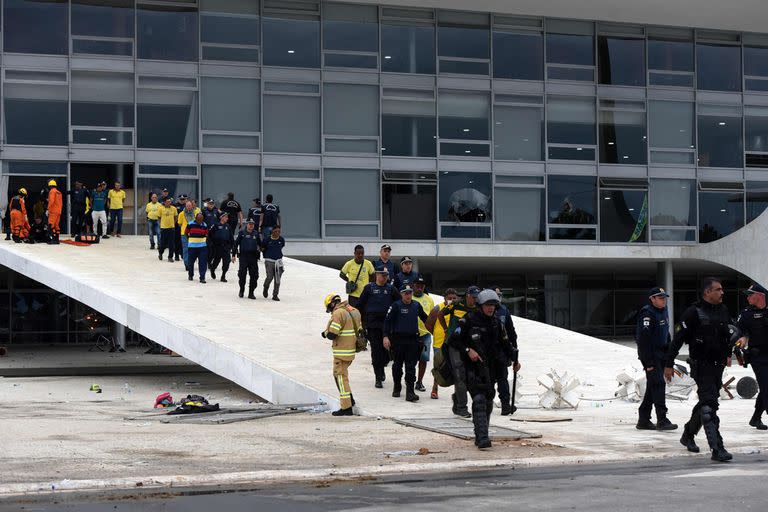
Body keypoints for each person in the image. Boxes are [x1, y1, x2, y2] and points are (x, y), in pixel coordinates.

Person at [665, 277, 734, 462]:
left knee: (707, 402)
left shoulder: (723, 310)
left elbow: (728, 334)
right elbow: (678, 340)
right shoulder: (692, 313)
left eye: (722, 289)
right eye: (718, 290)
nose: (722, 292)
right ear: (707, 292)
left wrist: (729, 353)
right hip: (701, 365)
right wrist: (668, 363)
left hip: (718, 365)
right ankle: (717, 449)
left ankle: (688, 435)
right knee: (709, 407)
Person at [450, 289, 520, 449]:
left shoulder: (497, 323)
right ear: (480, 305)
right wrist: (468, 350)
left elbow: (506, 344)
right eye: (488, 305)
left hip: (492, 368)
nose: (491, 308)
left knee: (488, 401)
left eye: (493, 305)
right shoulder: (468, 320)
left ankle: (480, 434)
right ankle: (482, 438)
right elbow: (454, 340)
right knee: (479, 400)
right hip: (473, 368)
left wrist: (515, 359)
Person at [635, 287, 678, 431]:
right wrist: (648, 363)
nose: (663, 300)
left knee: (653, 386)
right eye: (660, 298)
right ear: (652, 299)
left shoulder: (664, 311)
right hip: (650, 355)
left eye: (664, 297)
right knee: (658, 384)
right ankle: (662, 419)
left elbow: (667, 333)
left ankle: (643, 419)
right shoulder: (647, 314)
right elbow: (643, 340)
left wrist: (669, 354)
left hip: (662, 353)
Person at [384, 285, 428, 402]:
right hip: (398, 340)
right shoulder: (396, 306)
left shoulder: (416, 305)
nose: (408, 295)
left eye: (410, 293)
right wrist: (385, 337)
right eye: (405, 293)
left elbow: (425, 319)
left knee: (411, 367)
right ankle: (397, 387)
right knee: (397, 366)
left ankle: (410, 392)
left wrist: (435, 327)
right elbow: (387, 322)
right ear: (401, 294)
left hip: (412, 340)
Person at [357, 268, 400, 388]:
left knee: (387, 351)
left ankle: (382, 366)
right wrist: (359, 322)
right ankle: (378, 376)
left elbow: (399, 304)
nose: (385, 277)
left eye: (386, 275)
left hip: (387, 325)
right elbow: (360, 305)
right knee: (376, 351)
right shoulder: (369, 288)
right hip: (372, 325)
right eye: (382, 275)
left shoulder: (391, 289)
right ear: (377, 275)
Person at [442, 286, 480, 417]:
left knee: (469, 376)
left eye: (477, 297)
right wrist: (446, 329)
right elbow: (441, 314)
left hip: (469, 345)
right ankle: (462, 407)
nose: (475, 300)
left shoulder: (478, 309)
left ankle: (457, 400)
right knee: (459, 374)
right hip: (454, 344)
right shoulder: (456, 304)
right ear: (467, 296)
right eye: (473, 297)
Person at [735, 283, 768, 431]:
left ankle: (756, 418)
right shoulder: (747, 314)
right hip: (758, 357)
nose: (747, 297)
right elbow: (738, 331)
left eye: (750, 294)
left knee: (766, 387)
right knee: (767, 386)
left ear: (760, 296)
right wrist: (742, 338)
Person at [322, 293, 360, 416]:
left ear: (332, 303)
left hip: (341, 352)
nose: (330, 310)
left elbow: (333, 334)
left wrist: (326, 332)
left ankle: (346, 407)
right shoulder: (354, 310)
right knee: (342, 376)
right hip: (351, 350)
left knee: (341, 378)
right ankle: (351, 400)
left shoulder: (338, 313)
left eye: (329, 308)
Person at [425, 288, 460, 400]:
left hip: (454, 343)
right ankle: (435, 389)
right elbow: (428, 324)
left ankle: (457, 392)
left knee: (456, 368)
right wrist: (437, 333)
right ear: (444, 298)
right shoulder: (438, 308)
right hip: (439, 343)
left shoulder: (459, 309)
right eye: (450, 298)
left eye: (454, 298)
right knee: (439, 366)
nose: (452, 300)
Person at [491, 286, 519, 416]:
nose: (498, 297)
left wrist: (515, 356)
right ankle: (486, 404)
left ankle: (506, 406)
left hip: (501, 351)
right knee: (488, 380)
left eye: (499, 294)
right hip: (486, 351)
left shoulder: (504, 310)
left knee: (502, 379)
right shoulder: (480, 310)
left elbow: (511, 333)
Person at [412, 277, 435, 393]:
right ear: (413, 285)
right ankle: (410, 380)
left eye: (422, 285)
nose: (420, 287)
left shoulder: (429, 299)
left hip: (425, 334)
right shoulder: (408, 296)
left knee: (423, 358)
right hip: (410, 333)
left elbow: (431, 317)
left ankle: (419, 381)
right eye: (417, 285)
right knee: (410, 359)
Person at [232, 219, 261, 299]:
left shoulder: (256, 233)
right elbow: (236, 244)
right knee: (242, 275)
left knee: (254, 275)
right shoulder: (242, 233)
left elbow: (260, 244)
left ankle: (251, 292)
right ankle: (242, 289)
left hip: (253, 257)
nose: (251, 225)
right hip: (243, 257)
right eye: (249, 224)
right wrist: (233, 255)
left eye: (252, 224)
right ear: (247, 224)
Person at [208, 212, 234, 282]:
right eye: (225, 217)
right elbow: (209, 235)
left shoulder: (228, 226)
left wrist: (232, 246)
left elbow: (231, 237)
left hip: (226, 247)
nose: (227, 218)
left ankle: (223, 276)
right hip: (217, 247)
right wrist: (211, 244)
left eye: (227, 217)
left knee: (226, 262)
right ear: (221, 217)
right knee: (216, 260)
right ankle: (213, 269)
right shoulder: (215, 225)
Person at [262, 225, 286, 301]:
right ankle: (266, 287)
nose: (277, 233)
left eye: (279, 231)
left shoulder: (281, 239)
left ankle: (275, 295)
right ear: (272, 231)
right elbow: (263, 248)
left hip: (278, 261)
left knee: (277, 279)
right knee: (269, 277)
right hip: (269, 261)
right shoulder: (267, 239)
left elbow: (281, 246)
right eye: (276, 231)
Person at [185, 212, 209, 283]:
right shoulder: (190, 224)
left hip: (202, 247)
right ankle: (190, 275)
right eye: (198, 219)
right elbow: (186, 232)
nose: (200, 220)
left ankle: (202, 277)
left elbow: (207, 234)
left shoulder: (204, 225)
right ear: (195, 218)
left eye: (201, 219)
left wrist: (204, 240)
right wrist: (189, 240)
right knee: (190, 262)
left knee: (203, 263)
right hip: (192, 247)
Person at [177, 199, 201, 271]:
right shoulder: (181, 214)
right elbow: (179, 223)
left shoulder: (196, 213)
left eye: (190, 205)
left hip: (194, 233)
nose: (188, 207)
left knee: (194, 249)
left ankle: (192, 262)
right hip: (184, 234)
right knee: (186, 249)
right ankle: (187, 264)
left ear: (192, 206)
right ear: (185, 206)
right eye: (187, 206)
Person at [157, 197, 177, 263]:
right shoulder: (161, 208)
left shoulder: (173, 208)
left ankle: (170, 257)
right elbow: (159, 217)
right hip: (164, 228)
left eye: (170, 201)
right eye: (167, 201)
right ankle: (160, 253)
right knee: (163, 243)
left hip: (171, 228)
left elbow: (175, 217)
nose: (169, 203)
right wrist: (161, 224)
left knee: (171, 244)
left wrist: (173, 223)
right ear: (164, 202)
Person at [46, 179, 62, 244]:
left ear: (50, 185)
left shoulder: (52, 191)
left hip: (53, 211)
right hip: (58, 211)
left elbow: (51, 201)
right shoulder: (59, 192)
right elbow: (60, 203)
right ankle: (57, 240)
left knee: (51, 225)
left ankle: (53, 240)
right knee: (56, 226)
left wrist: (48, 209)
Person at [173, 194, 187, 262]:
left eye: (183, 199)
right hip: (176, 226)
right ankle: (176, 255)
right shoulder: (175, 205)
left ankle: (183, 254)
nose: (182, 200)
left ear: (186, 199)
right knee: (177, 241)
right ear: (178, 199)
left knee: (184, 242)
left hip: (185, 227)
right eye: (181, 199)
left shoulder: (187, 206)